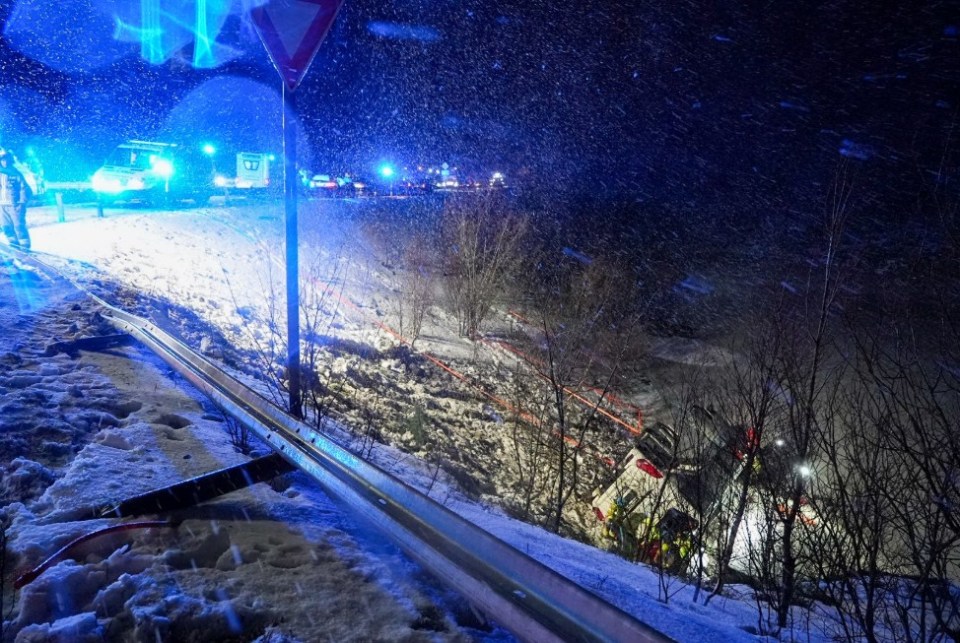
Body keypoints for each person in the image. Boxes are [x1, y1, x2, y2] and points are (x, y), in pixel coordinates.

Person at [0, 150, 31, 251]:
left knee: (19, 226)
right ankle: (14, 246)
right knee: (6, 227)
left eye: (6, 160)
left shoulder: (16, 174)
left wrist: (22, 203)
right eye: (2, 160)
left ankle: (25, 248)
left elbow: (25, 189)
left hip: (15, 205)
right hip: (2, 206)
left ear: (10, 161)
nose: (4, 162)